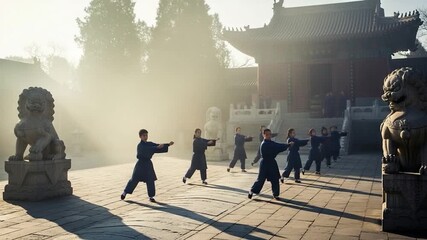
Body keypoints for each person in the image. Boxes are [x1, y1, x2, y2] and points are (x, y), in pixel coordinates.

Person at [121, 129, 174, 202]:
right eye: (144, 135)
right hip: (140, 165)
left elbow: (157, 145)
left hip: (148, 164)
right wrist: (156, 148)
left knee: (150, 180)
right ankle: (125, 192)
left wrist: (168, 144)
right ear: (140, 136)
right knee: (134, 179)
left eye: (146, 135)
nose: (145, 137)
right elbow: (149, 149)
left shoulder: (149, 143)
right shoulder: (140, 145)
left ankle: (151, 196)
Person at [248, 128, 293, 200]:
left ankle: (276, 194)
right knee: (261, 179)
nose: (269, 136)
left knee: (275, 179)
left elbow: (278, 145)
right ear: (263, 135)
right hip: (265, 163)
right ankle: (252, 191)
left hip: (272, 162)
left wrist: (287, 145)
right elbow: (277, 147)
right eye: (267, 134)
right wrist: (287, 145)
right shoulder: (264, 144)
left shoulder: (271, 142)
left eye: (270, 134)